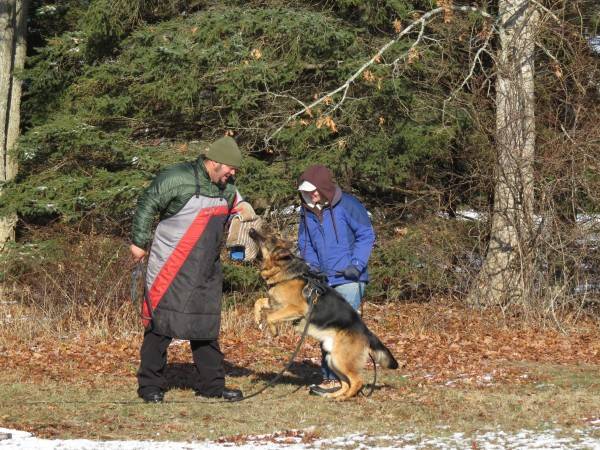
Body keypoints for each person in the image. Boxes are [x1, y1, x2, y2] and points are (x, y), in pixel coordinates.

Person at [130, 136, 247, 403]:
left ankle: (213, 386)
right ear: (215, 162)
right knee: (160, 327)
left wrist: (244, 215)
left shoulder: (227, 187)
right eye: (230, 168)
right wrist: (138, 242)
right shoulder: (176, 177)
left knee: (206, 327)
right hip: (170, 265)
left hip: (206, 268)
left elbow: (240, 208)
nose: (233, 173)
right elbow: (148, 203)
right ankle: (150, 387)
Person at [296, 164, 375, 396]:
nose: (312, 194)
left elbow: (366, 234)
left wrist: (356, 265)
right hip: (323, 280)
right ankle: (337, 379)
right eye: (307, 190)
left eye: (314, 189)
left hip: (349, 278)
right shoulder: (307, 210)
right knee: (328, 330)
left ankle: (340, 380)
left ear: (323, 187)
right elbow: (306, 242)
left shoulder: (348, 205)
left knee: (340, 331)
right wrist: (311, 267)